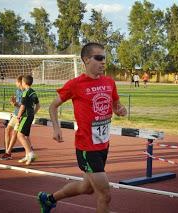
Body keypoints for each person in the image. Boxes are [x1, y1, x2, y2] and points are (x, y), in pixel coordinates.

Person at [38, 42, 127, 213]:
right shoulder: (75, 84)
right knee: (105, 194)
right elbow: (53, 106)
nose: (103, 62)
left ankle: (48, 199)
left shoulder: (109, 82)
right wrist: (56, 128)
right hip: (87, 148)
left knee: (87, 188)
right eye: (99, 58)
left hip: (103, 145)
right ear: (86, 60)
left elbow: (116, 105)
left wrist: (120, 110)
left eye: (104, 58)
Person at [16, 74, 40, 165]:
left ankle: (30, 153)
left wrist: (18, 116)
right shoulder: (33, 92)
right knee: (25, 136)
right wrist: (33, 113)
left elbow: (22, 106)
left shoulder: (25, 92)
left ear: (24, 82)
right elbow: (38, 105)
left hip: (26, 116)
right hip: (30, 115)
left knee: (20, 135)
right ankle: (27, 155)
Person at [0, 75, 24, 160]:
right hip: (15, 114)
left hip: (21, 116)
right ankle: (7, 151)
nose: (15, 83)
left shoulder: (25, 92)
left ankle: (8, 153)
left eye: (16, 82)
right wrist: (13, 103)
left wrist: (15, 104)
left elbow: (23, 106)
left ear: (20, 82)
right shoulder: (17, 91)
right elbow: (17, 103)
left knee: (15, 133)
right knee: (7, 129)